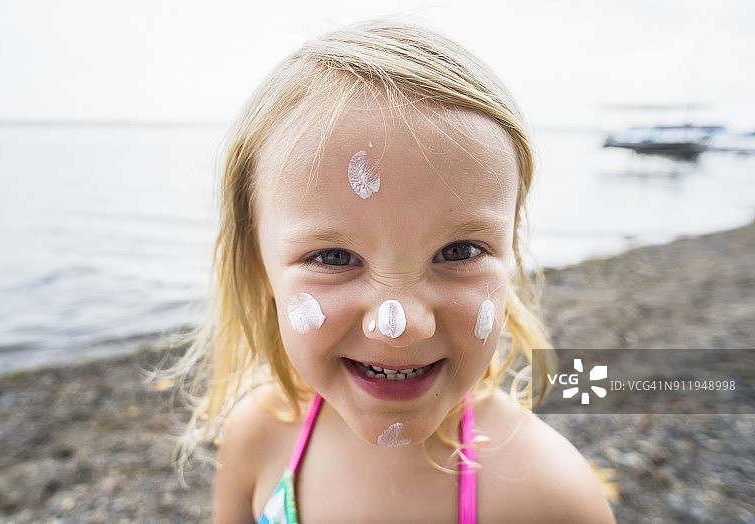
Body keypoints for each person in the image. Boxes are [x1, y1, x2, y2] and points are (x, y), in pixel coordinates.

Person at [167, 20, 616, 523]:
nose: (399, 324)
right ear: (258, 269)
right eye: (334, 258)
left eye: (459, 251)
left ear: (510, 254)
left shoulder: (548, 495)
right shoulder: (257, 436)